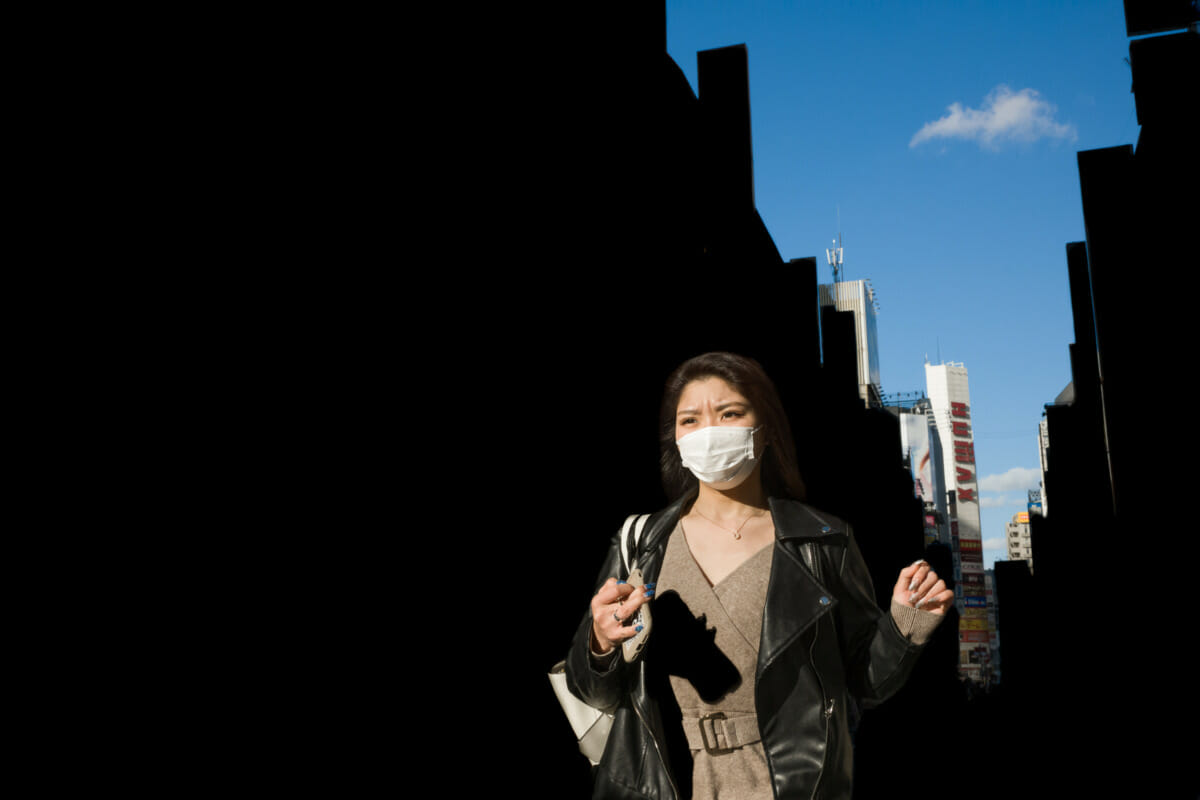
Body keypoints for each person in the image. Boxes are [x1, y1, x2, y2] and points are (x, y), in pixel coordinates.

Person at [563, 352, 953, 800]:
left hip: (789, 781)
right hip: (666, 779)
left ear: (765, 430)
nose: (708, 431)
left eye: (729, 413)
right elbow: (589, 688)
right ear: (675, 437)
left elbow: (862, 681)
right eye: (690, 420)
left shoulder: (822, 540)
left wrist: (904, 624)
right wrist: (600, 641)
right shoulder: (642, 542)